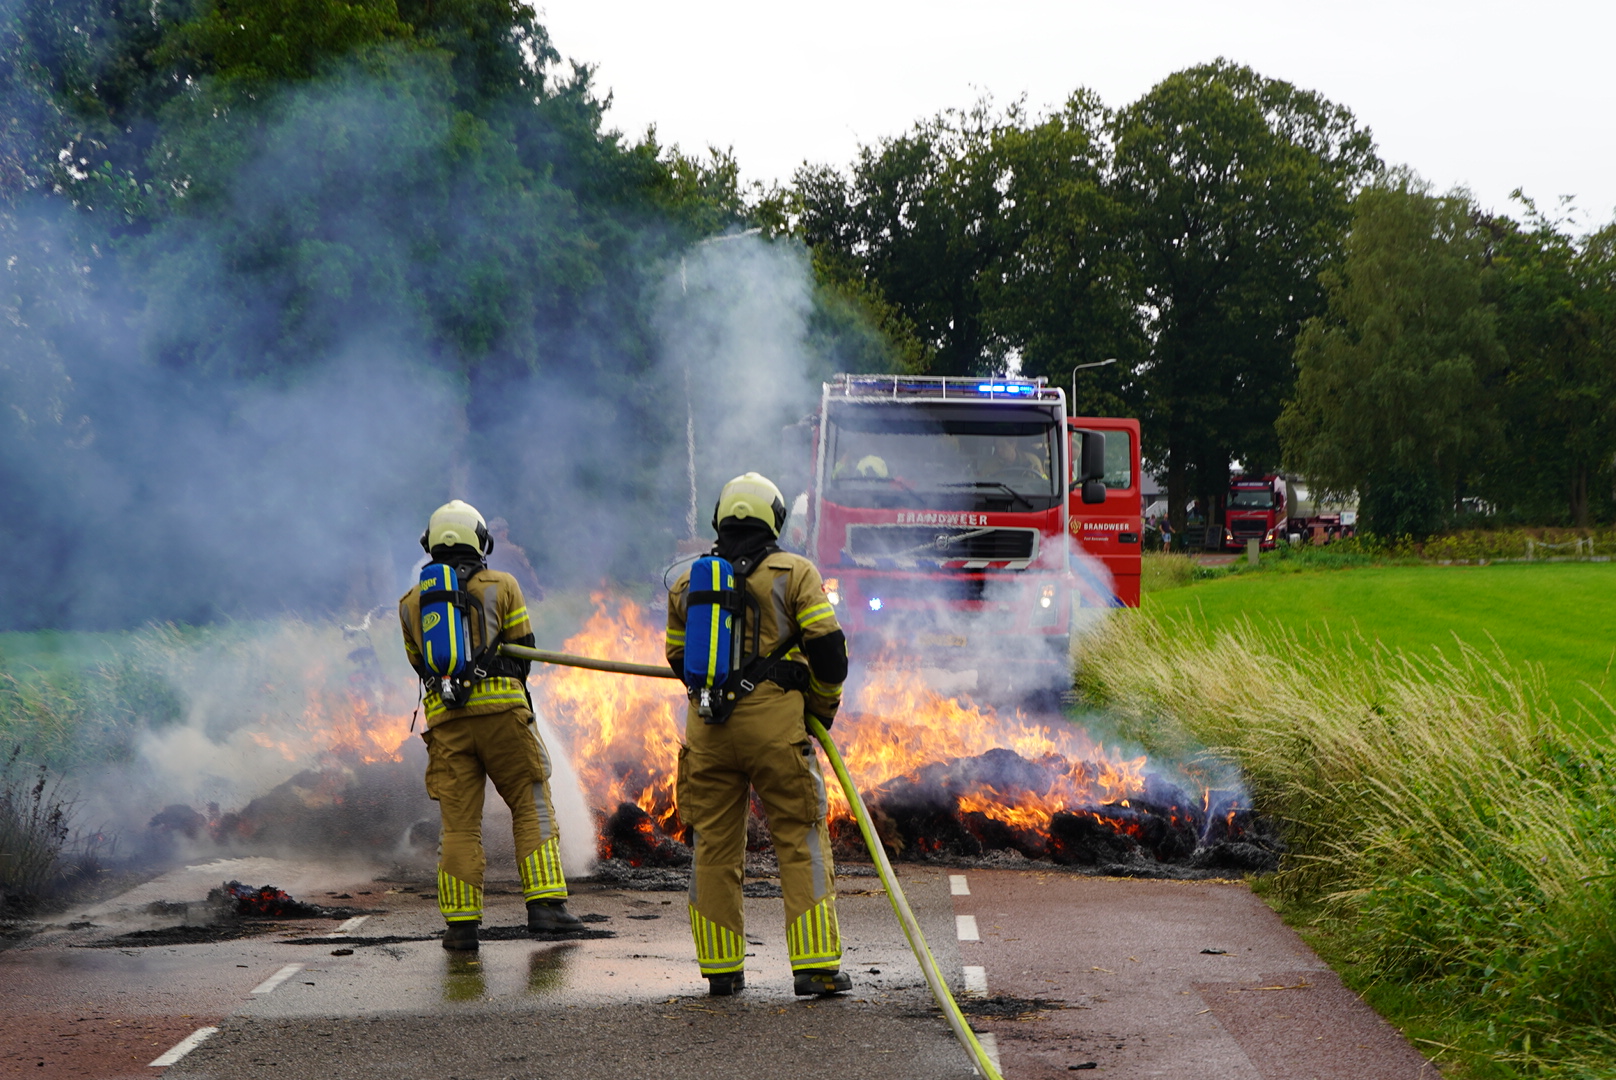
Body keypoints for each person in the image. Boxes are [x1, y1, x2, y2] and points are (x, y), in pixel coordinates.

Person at [665, 473, 851, 997]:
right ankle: (815, 968)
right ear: (775, 518)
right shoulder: (795, 574)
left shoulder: (686, 583)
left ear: (720, 518)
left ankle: (721, 971)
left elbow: (679, 659)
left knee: (713, 848)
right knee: (799, 835)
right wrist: (819, 707)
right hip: (774, 730)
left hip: (706, 732)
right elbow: (829, 654)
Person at [399, 499, 582, 951]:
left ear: (430, 544)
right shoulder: (503, 585)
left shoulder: (410, 604)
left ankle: (461, 926)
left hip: (446, 723)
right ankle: (546, 908)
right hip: (503, 717)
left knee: (459, 824)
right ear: (480, 541)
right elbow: (525, 651)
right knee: (530, 800)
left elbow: (420, 665)